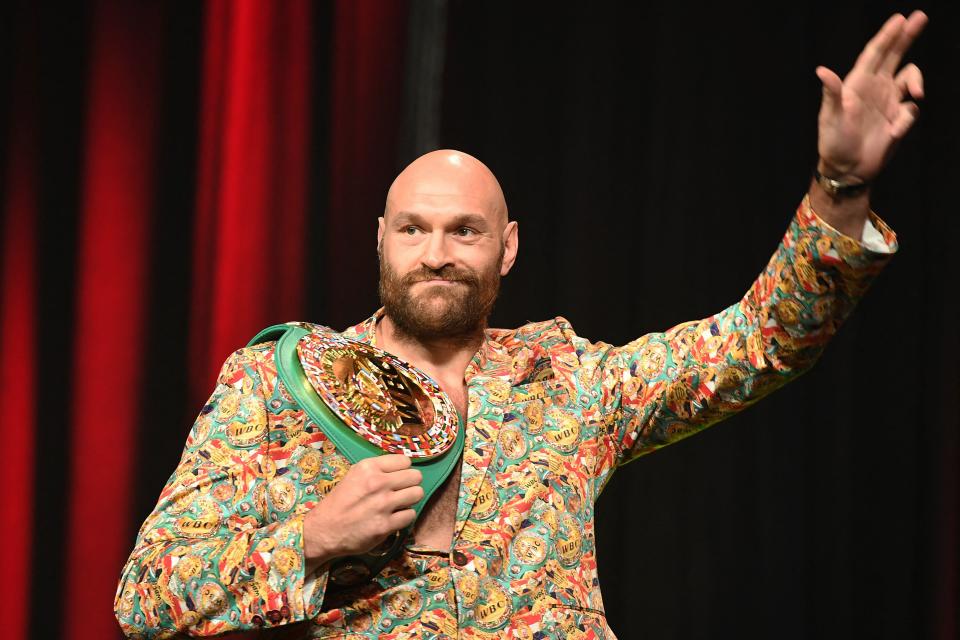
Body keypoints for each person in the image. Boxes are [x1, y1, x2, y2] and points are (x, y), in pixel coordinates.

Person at [115, 11, 927, 639]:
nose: (436, 254)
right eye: (413, 229)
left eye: (465, 231)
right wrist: (312, 536)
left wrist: (841, 183)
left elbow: (759, 342)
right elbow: (146, 599)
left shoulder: (570, 379)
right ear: (380, 239)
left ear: (507, 249)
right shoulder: (274, 385)